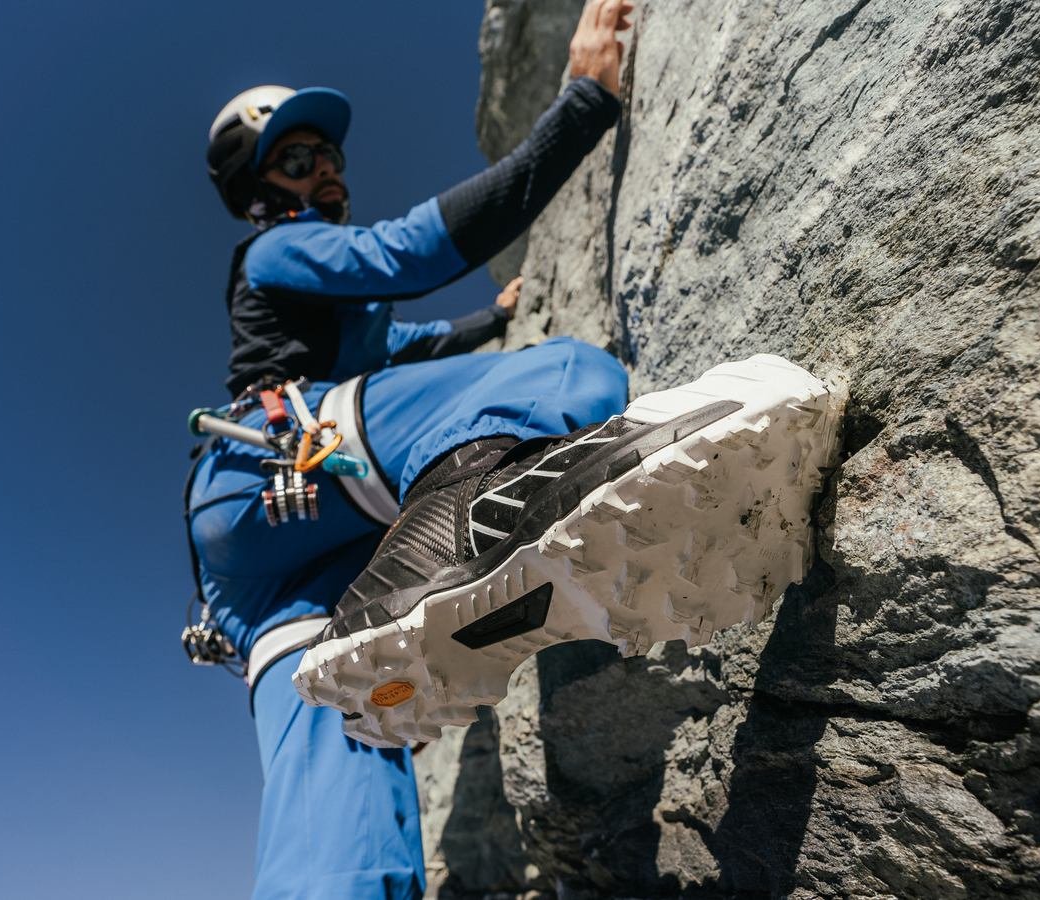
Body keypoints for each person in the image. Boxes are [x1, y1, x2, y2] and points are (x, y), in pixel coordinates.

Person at [185, 1, 840, 896]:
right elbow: (401, 254)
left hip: (262, 569)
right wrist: (582, 104)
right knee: (561, 373)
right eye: (298, 160)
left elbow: (405, 344)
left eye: (329, 154)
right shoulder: (278, 252)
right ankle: (459, 524)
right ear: (260, 191)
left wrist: (488, 318)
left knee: (349, 743)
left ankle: (391, 625)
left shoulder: (334, 309)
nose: (326, 171)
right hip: (279, 459)